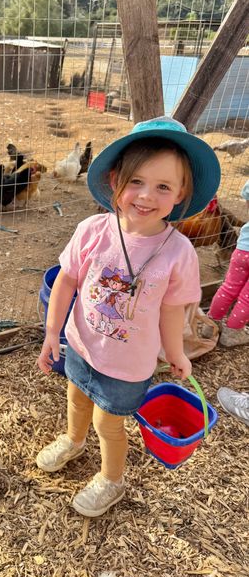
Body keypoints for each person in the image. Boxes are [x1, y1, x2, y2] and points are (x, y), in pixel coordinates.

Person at [37, 116, 221, 517]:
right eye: (135, 181)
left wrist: (177, 353)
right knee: (75, 396)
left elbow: (173, 312)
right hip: (81, 343)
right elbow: (66, 282)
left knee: (109, 423)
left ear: (181, 193)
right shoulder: (92, 231)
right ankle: (73, 438)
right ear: (115, 179)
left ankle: (111, 479)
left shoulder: (178, 253)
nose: (145, 196)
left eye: (163, 186)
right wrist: (53, 332)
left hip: (127, 365)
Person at [208, 180, 249, 344]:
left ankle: (209, 325)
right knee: (247, 298)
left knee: (228, 287)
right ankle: (232, 333)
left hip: (243, 250)